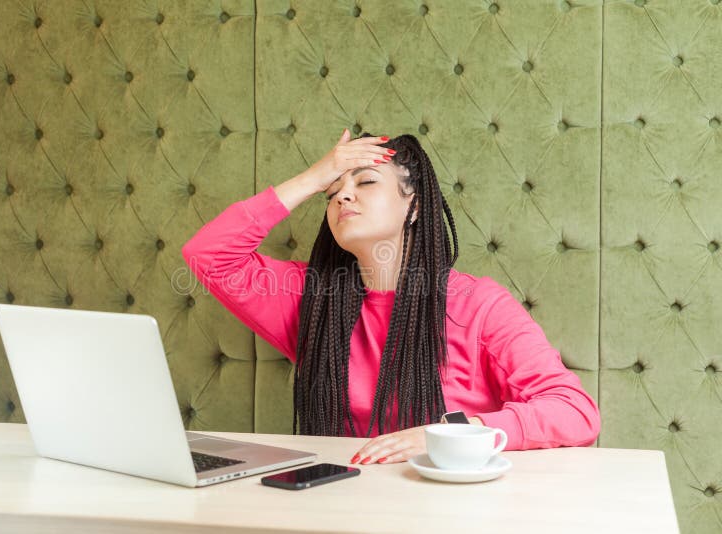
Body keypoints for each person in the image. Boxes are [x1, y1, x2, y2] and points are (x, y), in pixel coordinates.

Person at [182, 128, 601, 466]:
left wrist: (451, 435)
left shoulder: (477, 305)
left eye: (365, 181)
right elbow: (208, 256)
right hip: (349, 507)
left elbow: (575, 412)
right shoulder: (309, 301)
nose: (343, 195)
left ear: (414, 206)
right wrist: (313, 178)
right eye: (333, 192)